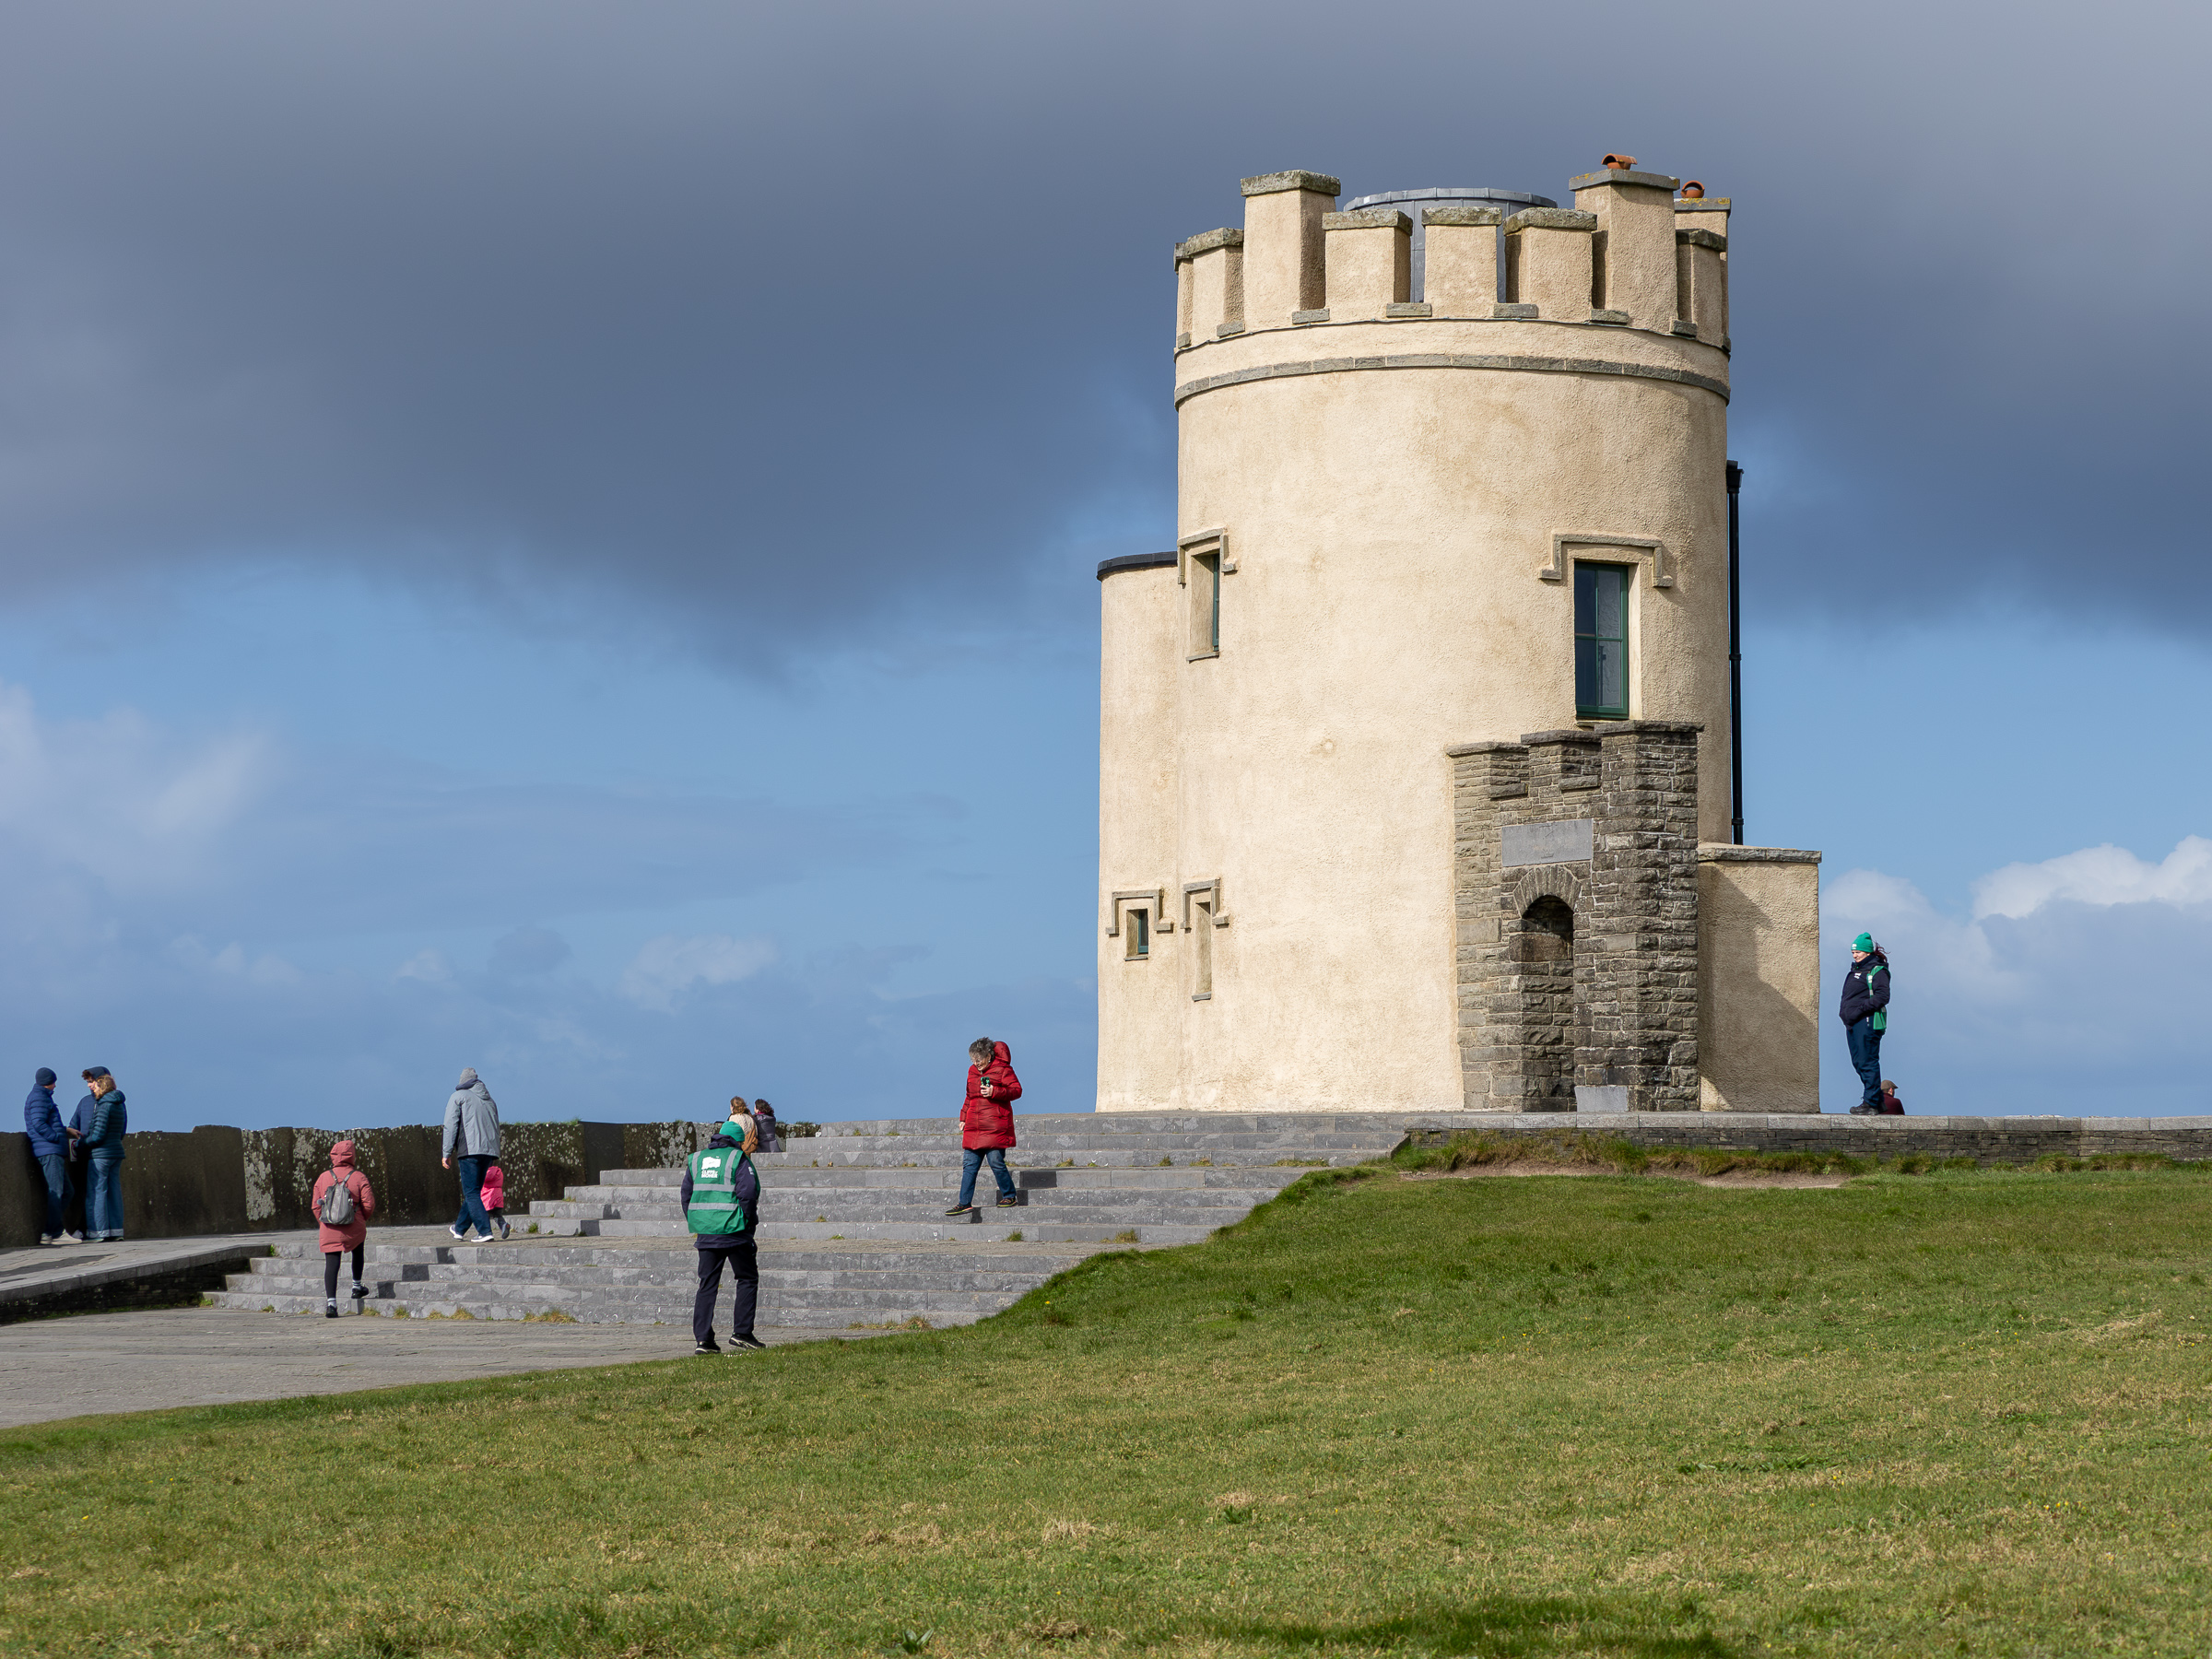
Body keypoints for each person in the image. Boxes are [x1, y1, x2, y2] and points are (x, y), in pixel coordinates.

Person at [681, 1107, 766, 1354]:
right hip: (735, 1231)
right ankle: (742, 1333)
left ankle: (703, 1341)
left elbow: (686, 1195)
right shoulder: (738, 1158)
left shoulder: (696, 1159)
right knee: (747, 1278)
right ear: (739, 1140)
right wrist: (748, 1222)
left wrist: (699, 1220)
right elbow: (748, 1193)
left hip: (706, 1233)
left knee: (707, 1284)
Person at [946, 1038, 1020, 1217]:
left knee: (995, 1161)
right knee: (969, 1164)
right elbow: (969, 1096)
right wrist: (963, 1116)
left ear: (988, 1055)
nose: (976, 1063)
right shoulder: (972, 1071)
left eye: (978, 1059)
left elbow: (1017, 1090)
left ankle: (1009, 1195)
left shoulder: (1003, 1069)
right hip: (974, 1125)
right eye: (973, 1060)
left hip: (995, 1124)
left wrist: (995, 1091)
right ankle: (964, 1203)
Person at [312, 1139, 377, 1317]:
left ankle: (331, 1304)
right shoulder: (359, 1176)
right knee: (358, 1249)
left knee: (332, 1263)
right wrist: (361, 1219)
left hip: (329, 1227)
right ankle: (356, 1287)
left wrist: (324, 1222)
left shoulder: (323, 1177)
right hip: (353, 1225)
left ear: (333, 1155)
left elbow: (316, 1206)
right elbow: (369, 1204)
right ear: (352, 1156)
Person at [441, 1066, 501, 1243]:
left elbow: (450, 1126)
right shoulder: (490, 1100)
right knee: (474, 1191)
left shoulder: (458, 1097)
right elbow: (496, 1126)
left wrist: (446, 1152)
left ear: (462, 1082)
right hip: (488, 1151)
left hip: (469, 1151)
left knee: (471, 1192)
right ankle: (459, 1229)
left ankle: (484, 1231)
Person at [1838, 933, 1892, 1114]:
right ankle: (1876, 1101)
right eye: (1853, 952)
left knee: (1867, 1061)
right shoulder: (1855, 970)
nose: (1855, 955)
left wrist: (1859, 1009)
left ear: (1868, 952)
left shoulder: (1877, 970)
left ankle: (1870, 1102)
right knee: (1858, 1062)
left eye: (1858, 951)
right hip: (1853, 1022)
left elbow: (1883, 997)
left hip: (1867, 1022)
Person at [23, 1068, 75, 1246]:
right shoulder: (39, 1097)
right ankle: (55, 1232)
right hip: (49, 1150)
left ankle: (51, 1231)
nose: (56, 1085)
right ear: (49, 1081)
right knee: (57, 1192)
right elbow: (38, 1122)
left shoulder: (42, 1096)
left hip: (50, 1149)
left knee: (67, 1191)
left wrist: (64, 1130)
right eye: (54, 1082)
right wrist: (55, 1137)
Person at [77, 1068, 128, 1241]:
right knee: (114, 1193)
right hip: (116, 1152)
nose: (93, 1089)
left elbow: (98, 1135)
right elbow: (121, 1130)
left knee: (97, 1192)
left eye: (95, 1086)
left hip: (101, 1155)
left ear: (102, 1086)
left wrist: (82, 1143)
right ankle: (116, 1231)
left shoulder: (103, 1105)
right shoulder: (119, 1103)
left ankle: (98, 1233)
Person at [480, 1160, 510, 1241]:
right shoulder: (498, 1171)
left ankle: (486, 1233)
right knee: (497, 1216)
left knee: (485, 1216)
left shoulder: (486, 1172)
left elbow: (482, 1178)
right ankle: (504, 1225)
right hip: (498, 1197)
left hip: (489, 1198)